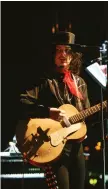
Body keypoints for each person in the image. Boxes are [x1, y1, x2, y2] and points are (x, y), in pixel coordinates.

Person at [18, 31, 90, 189]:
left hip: (76, 148)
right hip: (52, 146)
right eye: (58, 50)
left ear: (73, 56)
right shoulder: (44, 80)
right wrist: (48, 112)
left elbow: (86, 116)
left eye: (67, 50)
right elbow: (23, 103)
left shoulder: (80, 83)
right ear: (53, 54)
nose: (63, 54)